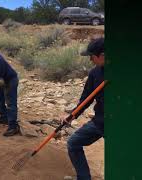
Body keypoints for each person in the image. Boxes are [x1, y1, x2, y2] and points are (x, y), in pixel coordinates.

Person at [61, 38, 104, 180]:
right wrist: (72, 116)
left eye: (92, 56)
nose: (90, 60)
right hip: (100, 122)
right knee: (73, 143)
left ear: (102, 55)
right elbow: (86, 99)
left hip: (121, 124)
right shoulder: (95, 73)